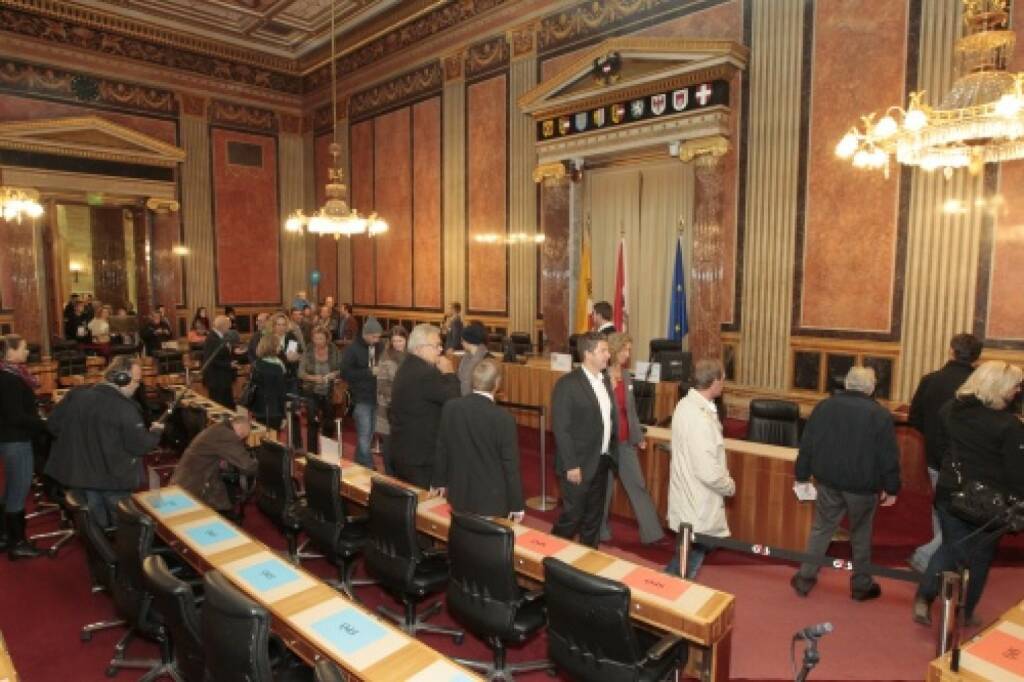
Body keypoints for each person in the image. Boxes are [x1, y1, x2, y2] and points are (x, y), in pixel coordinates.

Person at [913, 361, 1024, 626]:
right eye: (1016, 385)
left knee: (950, 547)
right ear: (1001, 387)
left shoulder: (950, 410)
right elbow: (1016, 473)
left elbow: (940, 449)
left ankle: (924, 599)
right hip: (989, 502)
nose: (1018, 391)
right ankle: (967, 611)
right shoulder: (1009, 426)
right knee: (981, 557)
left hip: (950, 493)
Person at [791, 366, 901, 601]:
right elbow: (888, 456)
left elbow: (807, 445)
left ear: (847, 384)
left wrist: (801, 475)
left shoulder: (824, 407)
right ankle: (861, 586)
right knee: (861, 535)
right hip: (863, 488)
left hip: (828, 483)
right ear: (871, 388)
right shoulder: (879, 414)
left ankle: (804, 578)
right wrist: (892, 488)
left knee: (821, 530)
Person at [46, 356, 163, 529]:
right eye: (137, 381)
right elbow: (140, 446)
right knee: (121, 532)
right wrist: (156, 432)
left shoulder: (76, 394)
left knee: (94, 533)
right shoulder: (125, 407)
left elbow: (53, 426)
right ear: (122, 379)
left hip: (78, 476)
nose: (138, 385)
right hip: (113, 480)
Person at [906, 333, 982, 573]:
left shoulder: (930, 380)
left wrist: (931, 435)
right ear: (977, 357)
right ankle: (938, 559)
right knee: (964, 513)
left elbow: (913, 419)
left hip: (934, 456)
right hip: (969, 461)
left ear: (951, 351)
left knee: (939, 507)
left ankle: (935, 559)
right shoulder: (979, 386)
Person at [431, 359, 525, 521]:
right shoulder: (503, 418)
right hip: (491, 501)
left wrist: (438, 481)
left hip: (459, 495)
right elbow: (510, 466)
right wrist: (517, 504)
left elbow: (442, 449)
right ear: (497, 383)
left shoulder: (451, 407)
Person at [665, 358, 733, 577]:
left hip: (689, 493)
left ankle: (666, 583)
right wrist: (728, 486)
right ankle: (670, 590)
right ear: (713, 382)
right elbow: (707, 469)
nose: (724, 383)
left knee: (692, 549)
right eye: (722, 379)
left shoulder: (685, 405)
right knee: (696, 551)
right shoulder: (699, 418)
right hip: (698, 497)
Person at [550, 332, 617, 548]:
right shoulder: (567, 385)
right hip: (577, 465)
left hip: (602, 461)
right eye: (603, 351)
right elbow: (561, 429)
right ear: (588, 354)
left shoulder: (605, 380)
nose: (608, 355)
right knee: (573, 517)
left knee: (593, 519)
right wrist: (571, 465)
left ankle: (588, 562)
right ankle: (551, 554)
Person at [600, 333, 665, 545]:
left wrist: (638, 437)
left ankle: (652, 534)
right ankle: (600, 531)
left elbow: (631, 411)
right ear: (614, 350)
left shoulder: (627, 376)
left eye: (629, 350)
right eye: (625, 350)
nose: (628, 354)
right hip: (606, 444)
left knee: (638, 485)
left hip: (626, 442)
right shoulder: (600, 376)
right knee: (604, 489)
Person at [389, 324, 460, 487]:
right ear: (420, 348)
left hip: (404, 450)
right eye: (436, 346)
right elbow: (454, 400)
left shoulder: (408, 365)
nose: (440, 350)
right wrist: (449, 373)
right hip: (420, 456)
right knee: (423, 507)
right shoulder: (426, 373)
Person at [0, 335, 48, 559]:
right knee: (18, 492)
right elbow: (16, 416)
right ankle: (18, 543)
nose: (27, 351)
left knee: (11, 490)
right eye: (24, 348)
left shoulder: (10, 375)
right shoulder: (10, 379)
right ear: (10, 353)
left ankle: (5, 537)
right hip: (16, 440)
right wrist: (43, 423)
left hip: (11, 439)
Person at [170, 415, 257, 517]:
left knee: (225, 500)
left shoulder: (218, 428)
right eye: (242, 437)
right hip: (191, 487)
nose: (240, 440)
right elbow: (247, 465)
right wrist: (262, 466)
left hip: (191, 476)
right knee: (224, 509)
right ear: (240, 428)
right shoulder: (227, 436)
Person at [341, 318, 383, 468]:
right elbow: (345, 373)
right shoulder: (352, 350)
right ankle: (370, 466)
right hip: (360, 397)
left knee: (369, 434)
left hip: (377, 396)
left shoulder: (380, 346)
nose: (377, 340)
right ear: (366, 334)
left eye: (379, 337)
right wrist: (369, 372)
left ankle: (359, 464)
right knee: (364, 436)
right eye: (374, 337)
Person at [299, 327, 342, 448]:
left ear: (327, 339)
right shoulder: (308, 351)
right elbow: (301, 373)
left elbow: (342, 368)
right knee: (313, 422)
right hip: (311, 391)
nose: (318, 341)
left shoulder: (334, 351)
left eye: (321, 338)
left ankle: (328, 452)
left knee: (329, 423)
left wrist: (333, 374)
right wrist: (314, 378)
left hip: (329, 391)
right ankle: (312, 454)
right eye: (316, 338)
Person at [375, 325, 408, 474]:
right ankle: (389, 476)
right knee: (388, 447)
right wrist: (398, 396)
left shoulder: (412, 356)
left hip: (406, 410)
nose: (397, 344)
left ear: (407, 340)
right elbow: (382, 385)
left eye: (400, 340)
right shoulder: (385, 357)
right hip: (387, 409)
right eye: (394, 341)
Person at [248, 333, 288, 431]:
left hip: (258, 408)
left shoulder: (256, 364)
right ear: (273, 347)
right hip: (273, 409)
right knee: (272, 440)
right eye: (279, 345)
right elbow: (281, 393)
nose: (281, 347)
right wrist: (284, 415)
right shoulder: (277, 366)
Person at [202, 315, 237, 409]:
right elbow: (211, 360)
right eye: (228, 326)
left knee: (228, 406)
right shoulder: (213, 339)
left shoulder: (218, 337)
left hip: (222, 379)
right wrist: (229, 364)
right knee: (220, 407)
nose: (229, 329)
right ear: (223, 326)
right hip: (217, 380)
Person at [456, 321, 489, 396]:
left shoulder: (487, 359)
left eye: (462, 340)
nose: (461, 343)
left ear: (468, 341)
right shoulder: (466, 357)